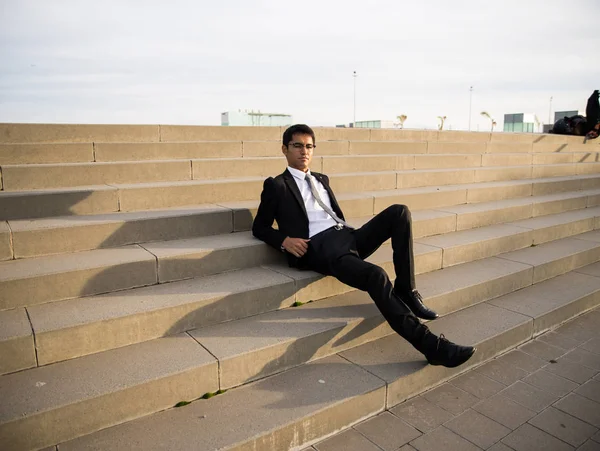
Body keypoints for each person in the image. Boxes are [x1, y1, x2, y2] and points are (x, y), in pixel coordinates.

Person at [252, 124, 476, 368]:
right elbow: (259, 227)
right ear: (285, 149)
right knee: (376, 275)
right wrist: (284, 241)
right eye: (297, 146)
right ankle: (431, 346)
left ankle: (406, 290)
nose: (304, 152)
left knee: (399, 212)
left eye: (309, 146)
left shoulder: (321, 179)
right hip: (320, 248)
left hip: (346, 236)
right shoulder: (277, 185)